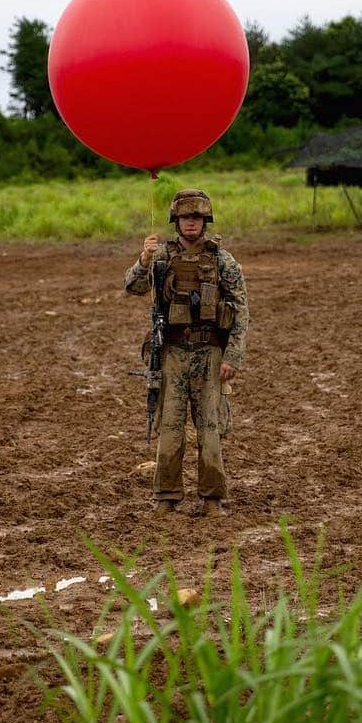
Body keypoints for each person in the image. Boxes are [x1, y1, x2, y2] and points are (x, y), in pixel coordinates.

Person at [125, 189, 249, 514]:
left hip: (209, 352)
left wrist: (232, 356)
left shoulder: (222, 260)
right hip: (173, 353)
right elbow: (132, 286)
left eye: (196, 217)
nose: (190, 222)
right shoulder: (161, 258)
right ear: (176, 222)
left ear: (205, 221)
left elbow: (240, 309)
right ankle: (166, 497)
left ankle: (212, 498)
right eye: (184, 217)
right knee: (170, 425)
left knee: (210, 427)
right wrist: (143, 259)